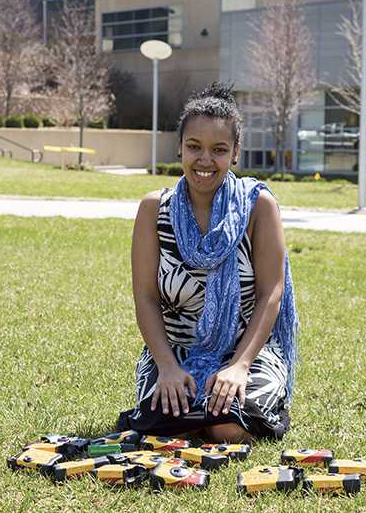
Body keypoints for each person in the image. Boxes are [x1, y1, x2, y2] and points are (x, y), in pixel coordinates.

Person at [117, 82, 298, 443]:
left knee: (227, 429)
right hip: (174, 350)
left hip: (247, 351)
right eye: (194, 147)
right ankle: (182, 394)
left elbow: (271, 294)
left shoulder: (258, 206)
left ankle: (257, 398)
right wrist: (167, 367)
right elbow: (146, 298)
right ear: (180, 148)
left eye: (218, 150)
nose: (204, 160)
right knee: (176, 428)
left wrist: (239, 367)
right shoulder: (154, 209)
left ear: (235, 154)